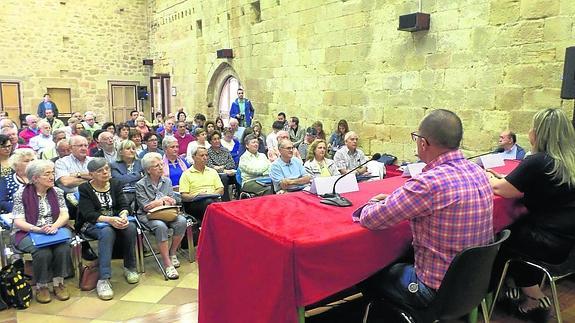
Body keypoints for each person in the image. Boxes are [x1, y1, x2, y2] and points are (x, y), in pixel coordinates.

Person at [356, 109, 493, 310]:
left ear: (423, 143)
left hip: (433, 291)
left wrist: (371, 204)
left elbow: (371, 219)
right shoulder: (478, 171)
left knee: (367, 272)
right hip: (472, 285)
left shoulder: (428, 183)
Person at [488, 108, 575, 317]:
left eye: (533, 127)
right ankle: (515, 286)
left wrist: (484, 177)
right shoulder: (568, 160)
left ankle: (529, 295)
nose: (529, 131)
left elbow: (501, 189)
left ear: (539, 133)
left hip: (544, 241)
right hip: (565, 240)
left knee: (500, 237)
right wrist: (507, 178)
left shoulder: (539, 160)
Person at [77, 158, 139, 300]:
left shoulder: (115, 184)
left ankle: (130, 267)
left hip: (115, 220)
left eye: (107, 169)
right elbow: (89, 214)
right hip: (93, 224)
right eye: (100, 171)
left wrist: (123, 216)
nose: (105, 172)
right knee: (107, 231)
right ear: (91, 174)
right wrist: (110, 220)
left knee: (130, 227)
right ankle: (103, 278)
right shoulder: (85, 188)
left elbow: (124, 205)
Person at [12, 160, 72, 303]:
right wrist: (38, 229)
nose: (52, 177)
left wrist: (54, 226)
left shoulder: (57, 192)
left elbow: (65, 215)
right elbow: (18, 221)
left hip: (54, 229)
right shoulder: (21, 194)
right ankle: (42, 286)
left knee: (62, 247)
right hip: (28, 231)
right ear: (35, 178)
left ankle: (59, 283)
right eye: (47, 174)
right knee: (42, 251)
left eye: (53, 173)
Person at [136, 152, 187, 279]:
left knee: (181, 221)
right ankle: (167, 263)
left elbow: (173, 199)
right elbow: (145, 207)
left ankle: (172, 252)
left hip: (167, 212)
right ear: (148, 170)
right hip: (148, 216)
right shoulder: (140, 185)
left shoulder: (167, 181)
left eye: (161, 164)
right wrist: (162, 201)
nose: (160, 167)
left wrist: (166, 201)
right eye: (156, 165)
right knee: (160, 226)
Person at [180, 146, 224, 223]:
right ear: (193, 157)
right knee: (209, 203)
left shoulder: (212, 171)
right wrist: (197, 195)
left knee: (212, 203)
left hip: (213, 200)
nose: (205, 158)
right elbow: (184, 196)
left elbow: (221, 190)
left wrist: (210, 194)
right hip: (194, 204)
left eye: (206, 155)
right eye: (202, 155)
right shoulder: (186, 174)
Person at [0, 148, 36, 214]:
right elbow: (1, 202)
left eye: (32, 160)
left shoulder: (41, 178)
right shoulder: (5, 180)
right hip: (13, 215)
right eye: (26, 161)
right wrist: (23, 210)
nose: (31, 163)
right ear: (16, 164)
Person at [110, 140, 144, 207]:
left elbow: (145, 180)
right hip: (123, 193)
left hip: (140, 193)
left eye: (133, 149)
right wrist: (137, 175)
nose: (132, 151)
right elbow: (119, 181)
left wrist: (125, 177)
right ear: (120, 152)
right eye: (128, 149)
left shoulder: (141, 163)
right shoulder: (114, 165)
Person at [207, 131, 237, 201]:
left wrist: (221, 167)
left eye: (218, 139)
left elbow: (232, 163)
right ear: (210, 141)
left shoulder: (225, 150)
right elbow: (210, 166)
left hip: (228, 172)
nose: (217, 141)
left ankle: (239, 198)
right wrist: (223, 170)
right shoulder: (208, 152)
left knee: (238, 175)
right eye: (214, 139)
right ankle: (226, 201)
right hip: (215, 175)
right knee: (224, 177)